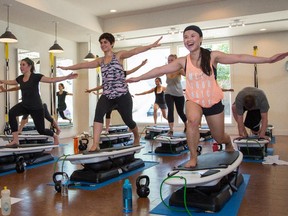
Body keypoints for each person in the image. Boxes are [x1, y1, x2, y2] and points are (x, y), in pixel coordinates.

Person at [126, 25, 288, 167]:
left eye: (192, 36)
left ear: (201, 39)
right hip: (193, 100)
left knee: (218, 137)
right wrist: (139, 78)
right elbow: (160, 70)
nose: (188, 39)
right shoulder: (183, 61)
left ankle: (228, 143)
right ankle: (193, 157)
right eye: (185, 37)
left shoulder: (212, 56)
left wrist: (267, 60)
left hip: (213, 101)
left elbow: (238, 57)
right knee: (192, 121)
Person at [58, 33, 162, 152]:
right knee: (98, 116)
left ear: (112, 43)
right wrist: (67, 68)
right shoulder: (100, 61)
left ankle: (136, 136)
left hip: (122, 95)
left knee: (128, 119)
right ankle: (95, 144)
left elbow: (134, 51)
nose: (103, 45)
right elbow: (83, 65)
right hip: (107, 95)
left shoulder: (119, 56)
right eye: (101, 43)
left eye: (105, 42)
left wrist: (150, 46)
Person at [0, 57, 78, 147]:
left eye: (23, 65)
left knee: (41, 130)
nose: (21, 67)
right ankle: (15, 140)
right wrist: (2, 81)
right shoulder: (20, 78)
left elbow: (52, 80)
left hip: (36, 107)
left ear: (29, 66)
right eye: (20, 65)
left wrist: (66, 77)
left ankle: (55, 136)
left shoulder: (36, 77)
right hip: (25, 105)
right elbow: (11, 82)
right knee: (12, 112)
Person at [86, 59, 148, 134]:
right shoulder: (109, 76)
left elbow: (132, 71)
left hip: (121, 99)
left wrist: (141, 65)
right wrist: (91, 90)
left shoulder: (123, 73)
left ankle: (135, 133)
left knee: (127, 119)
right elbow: (103, 86)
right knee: (107, 113)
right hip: (111, 99)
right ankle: (107, 129)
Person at [165, 54, 187, 136]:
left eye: (172, 60)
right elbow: (168, 76)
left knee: (180, 112)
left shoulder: (180, 70)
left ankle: (187, 125)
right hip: (168, 92)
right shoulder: (166, 69)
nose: (170, 61)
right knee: (170, 110)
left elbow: (188, 74)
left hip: (179, 93)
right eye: (169, 60)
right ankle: (171, 129)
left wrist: (183, 67)